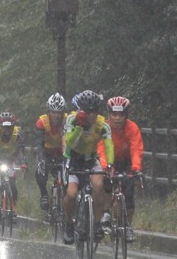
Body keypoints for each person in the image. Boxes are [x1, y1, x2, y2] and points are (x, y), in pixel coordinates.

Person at [62, 90, 114, 245]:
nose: (91, 115)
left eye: (94, 111)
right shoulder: (72, 119)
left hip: (91, 159)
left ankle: (97, 223)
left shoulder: (103, 125)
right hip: (73, 160)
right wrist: (79, 126)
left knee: (98, 186)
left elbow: (109, 146)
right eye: (88, 111)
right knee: (71, 194)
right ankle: (69, 224)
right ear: (81, 109)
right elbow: (70, 143)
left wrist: (110, 163)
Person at [97, 96, 144, 242]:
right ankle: (105, 213)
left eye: (121, 115)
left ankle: (127, 226)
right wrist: (106, 167)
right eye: (114, 114)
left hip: (125, 162)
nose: (117, 118)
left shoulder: (132, 128)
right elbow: (101, 149)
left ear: (126, 115)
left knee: (129, 193)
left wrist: (136, 169)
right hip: (108, 161)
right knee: (105, 183)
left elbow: (136, 150)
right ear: (109, 114)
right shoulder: (103, 127)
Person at [35, 93, 67, 211]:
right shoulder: (42, 121)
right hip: (46, 151)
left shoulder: (67, 120)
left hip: (62, 152)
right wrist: (41, 160)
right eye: (53, 112)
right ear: (48, 111)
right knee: (40, 172)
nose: (56, 116)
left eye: (59, 112)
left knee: (68, 177)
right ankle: (43, 194)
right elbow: (39, 144)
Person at [0, 111, 27, 222]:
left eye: (9, 128)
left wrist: (23, 163)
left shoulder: (17, 134)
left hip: (10, 161)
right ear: (0, 127)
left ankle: (13, 209)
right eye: (4, 128)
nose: (7, 130)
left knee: (12, 184)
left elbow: (20, 151)